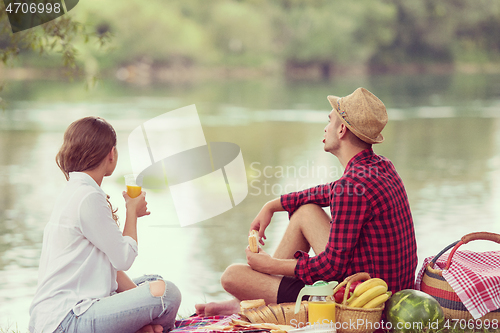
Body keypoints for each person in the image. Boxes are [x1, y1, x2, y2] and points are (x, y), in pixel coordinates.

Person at [196, 87, 417, 316]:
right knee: (306, 212)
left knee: (231, 276)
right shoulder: (381, 166)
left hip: (364, 302)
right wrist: (272, 205)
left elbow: (331, 268)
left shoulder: (351, 188)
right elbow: (327, 191)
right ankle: (257, 297)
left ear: (341, 130)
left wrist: (269, 264)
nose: (325, 127)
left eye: (330, 120)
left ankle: (257, 298)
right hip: (388, 288)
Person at [29, 116, 181, 333]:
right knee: (167, 293)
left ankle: (145, 328)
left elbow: (111, 268)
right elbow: (124, 259)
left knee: (154, 281)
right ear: (111, 153)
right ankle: (151, 329)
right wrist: (131, 212)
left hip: (59, 316)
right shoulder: (88, 196)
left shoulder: (75, 190)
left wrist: (143, 305)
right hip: (67, 320)